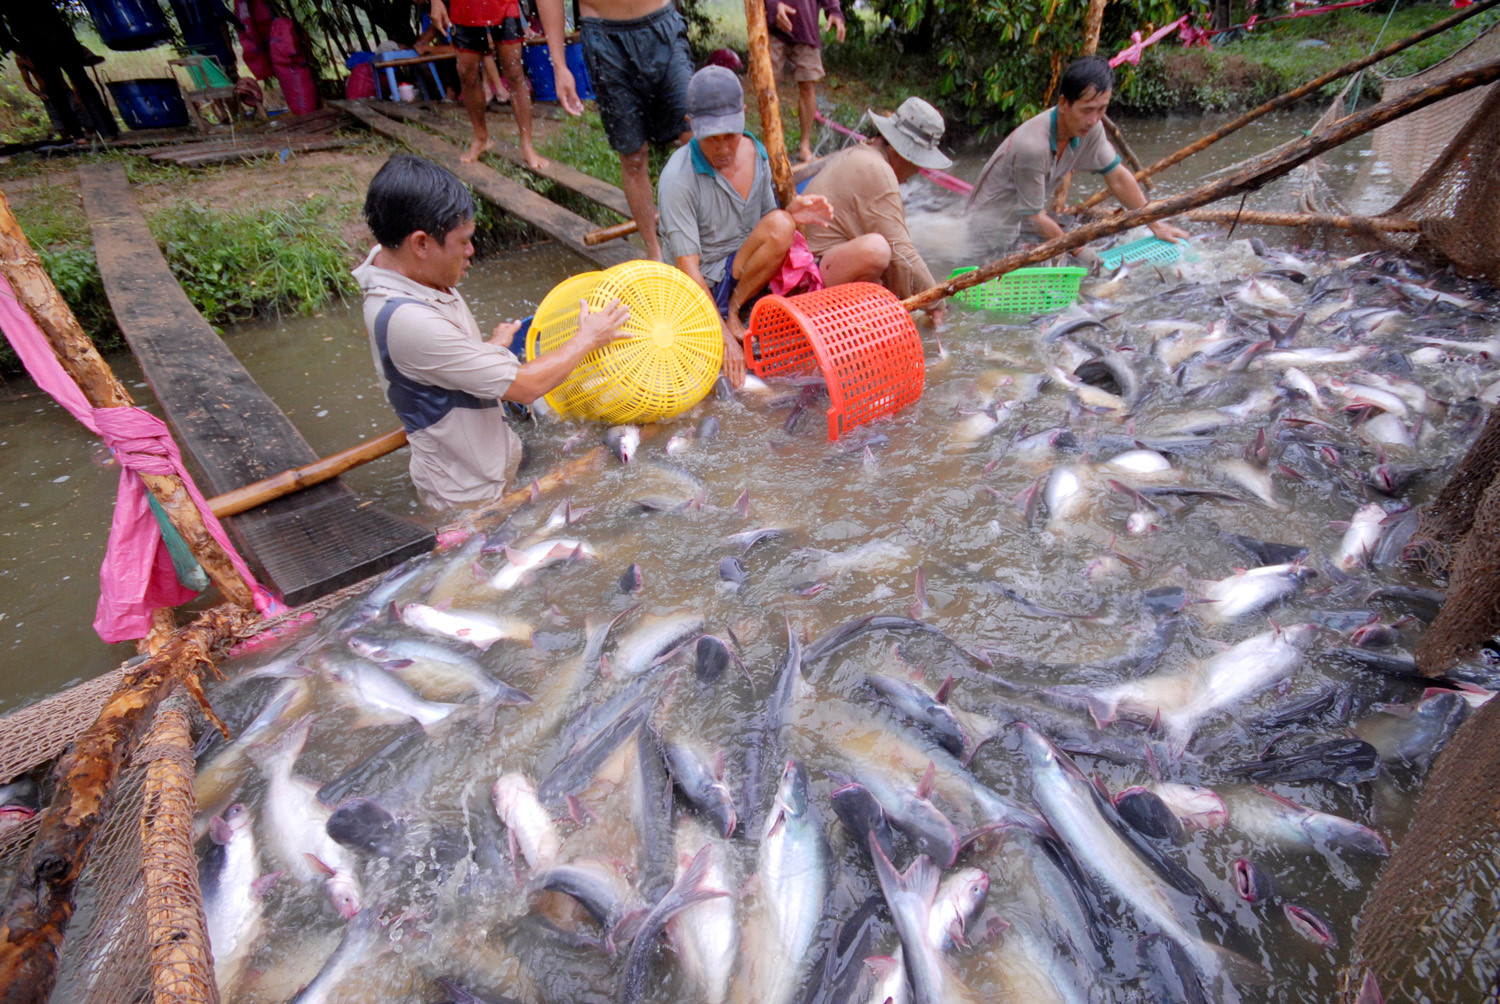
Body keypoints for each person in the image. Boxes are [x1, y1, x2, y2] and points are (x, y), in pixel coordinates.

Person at [355, 154, 629, 509]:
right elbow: (526, 388)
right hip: (469, 496)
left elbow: (435, 362)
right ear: (420, 244)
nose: (472, 251)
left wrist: (482, 351)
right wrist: (588, 338)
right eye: (464, 241)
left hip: (493, 458)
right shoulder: (407, 320)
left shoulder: (399, 260)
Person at [657, 66, 834, 388]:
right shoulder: (676, 179)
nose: (723, 149)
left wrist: (791, 213)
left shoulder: (758, 153)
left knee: (784, 225)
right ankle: (727, 316)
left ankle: (735, 309)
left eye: (731, 136)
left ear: (744, 116)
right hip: (703, 283)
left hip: (743, 275)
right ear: (691, 126)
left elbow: (768, 222)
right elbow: (687, 269)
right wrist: (722, 336)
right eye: (712, 139)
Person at [967, 56, 1187, 257]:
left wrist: (1155, 225)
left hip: (1021, 226)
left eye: (1102, 109)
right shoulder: (1033, 147)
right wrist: (1080, 252)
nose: (1093, 119)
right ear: (1063, 104)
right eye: (1086, 110)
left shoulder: (1091, 129)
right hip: (984, 237)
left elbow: (1118, 177)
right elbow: (1034, 218)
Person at [536, 0, 695, 262]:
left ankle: (703, 239)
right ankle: (654, 251)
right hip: (604, 36)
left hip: (661, 24)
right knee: (632, 156)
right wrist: (559, 66)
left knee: (695, 134)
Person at [800, 96, 948, 320]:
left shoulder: (862, 154)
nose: (915, 173)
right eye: (917, 164)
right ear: (901, 153)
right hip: (810, 278)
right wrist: (936, 301)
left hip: (814, 266)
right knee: (878, 249)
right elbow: (901, 252)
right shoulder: (877, 169)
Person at [427, 0, 545, 167]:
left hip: (503, 5)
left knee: (514, 72)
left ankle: (527, 145)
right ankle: (481, 137)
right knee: (466, 73)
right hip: (463, 8)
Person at [765, 0, 844, 164]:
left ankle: (805, 146)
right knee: (767, 87)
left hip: (805, 29)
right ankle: (770, 145)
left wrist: (834, 11)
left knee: (808, 85)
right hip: (773, 29)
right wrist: (773, 6)